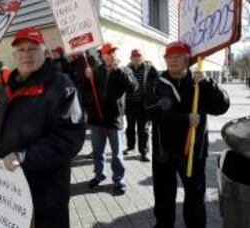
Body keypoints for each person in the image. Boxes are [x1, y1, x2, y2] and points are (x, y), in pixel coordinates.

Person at [0, 27, 85, 228]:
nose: (26, 54)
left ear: (44, 52)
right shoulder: (9, 86)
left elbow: (69, 139)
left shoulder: (61, 86)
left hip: (45, 191)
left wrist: (24, 157)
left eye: (32, 49)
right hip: (10, 188)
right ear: (14, 54)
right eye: (21, 50)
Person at [144, 41, 230, 228]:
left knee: (195, 198)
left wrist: (207, 84)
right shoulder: (156, 83)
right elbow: (151, 111)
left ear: (187, 59)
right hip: (163, 152)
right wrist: (184, 119)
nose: (173, 60)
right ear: (165, 59)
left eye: (178, 56)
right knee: (164, 197)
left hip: (193, 151)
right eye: (169, 57)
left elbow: (222, 106)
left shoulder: (199, 82)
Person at [83, 43, 137, 193]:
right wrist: (88, 79)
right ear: (102, 55)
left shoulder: (124, 70)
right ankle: (99, 175)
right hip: (97, 118)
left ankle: (119, 178)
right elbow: (86, 91)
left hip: (114, 118)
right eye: (107, 53)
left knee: (117, 152)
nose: (110, 55)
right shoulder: (96, 71)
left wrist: (120, 70)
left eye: (112, 52)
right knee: (98, 150)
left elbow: (133, 87)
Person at [124, 49, 158, 161]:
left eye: (138, 56)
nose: (136, 58)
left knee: (143, 129)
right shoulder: (126, 69)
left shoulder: (149, 68)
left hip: (144, 104)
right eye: (134, 56)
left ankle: (144, 152)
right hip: (130, 104)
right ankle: (130, 147)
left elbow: (156, 81)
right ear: (131, 58)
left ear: (142, 57)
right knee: (130, 128)